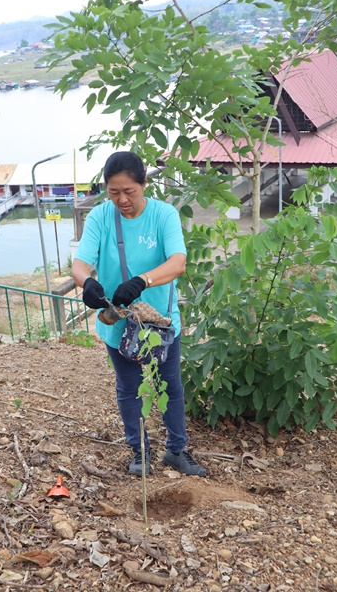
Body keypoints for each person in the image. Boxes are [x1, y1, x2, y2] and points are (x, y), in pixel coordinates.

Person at [72, 151, 206, 478]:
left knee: (169, 386)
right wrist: (87, 282)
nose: (122, 200)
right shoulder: (100, 217)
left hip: (159, 321)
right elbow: (80, 264)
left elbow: (177, 263)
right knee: (129, 387)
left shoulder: (163, 215)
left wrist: (141, 281)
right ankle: (139, 450)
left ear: (144, 184)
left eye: (129, 191)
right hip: (118, 320)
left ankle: (176, 450)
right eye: (114, 192)